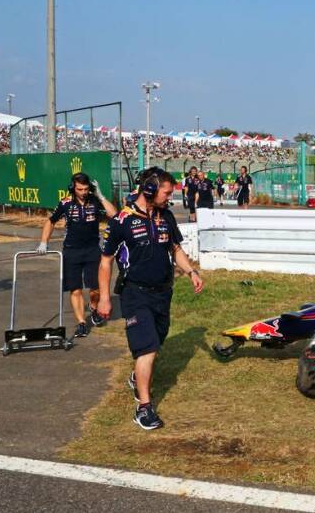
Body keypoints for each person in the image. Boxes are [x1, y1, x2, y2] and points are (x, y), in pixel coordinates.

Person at [97, 168, 203, 431]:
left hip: (163, 292)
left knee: (156, 341)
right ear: (150, 190)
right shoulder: (122, 220)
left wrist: (190, 271)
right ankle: (144, 407)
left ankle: (137, 376)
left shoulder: (166, 216)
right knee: (147, 349)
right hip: (135, 293)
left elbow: (175, 248)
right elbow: (106, 261)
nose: (170, 198)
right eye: (167, 193)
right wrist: (104, 299)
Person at [38, 172, 118, 337]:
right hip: (71, 251)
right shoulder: (65, 203)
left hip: (92, 250)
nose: (83, 192)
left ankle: (93, 308)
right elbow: (51, 221)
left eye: (86, 189)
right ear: (72, 188)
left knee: (95, 289)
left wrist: (100, 195)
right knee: (75, 290)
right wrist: (44, 241)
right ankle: (81, 322)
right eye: (80, 189)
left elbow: (114, 215)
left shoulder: (95, 201)